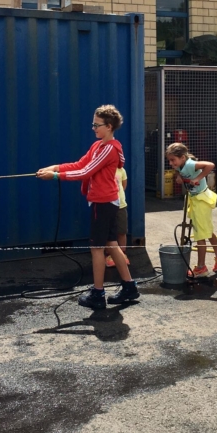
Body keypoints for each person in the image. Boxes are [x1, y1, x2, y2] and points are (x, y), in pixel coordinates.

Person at [36, 104, 139, 309]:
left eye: (96, 124)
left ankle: (98, 294)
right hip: (106, 202)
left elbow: (86, 172)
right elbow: (79, 164)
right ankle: (129, 287)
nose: (93, 128)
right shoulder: (98, 146)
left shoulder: (109, 148)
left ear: (109, 126)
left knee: (96, 248)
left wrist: (56, 176)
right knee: (111, 244)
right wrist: (54, 167)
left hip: (103, 203)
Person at [166, 143, 217, 277]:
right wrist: (180, 177)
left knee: (200, 234)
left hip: (201, 201)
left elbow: (210, 165)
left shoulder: (189, 164)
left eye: (173, 160)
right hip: (196, 199)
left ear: (182, 157)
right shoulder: (182, 166)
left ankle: (201, 267)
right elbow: (182, 175)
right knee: (205, 229)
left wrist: (197, 178)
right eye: (169, 160)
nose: (171, 163)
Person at [105, 166, 129, 268]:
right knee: (108, 232)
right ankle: (109, 255)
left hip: (121, 206)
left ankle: (122, 253)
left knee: (122, 231)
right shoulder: (105, 169)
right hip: (108, 205)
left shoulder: (122, 170)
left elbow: (123, 186)